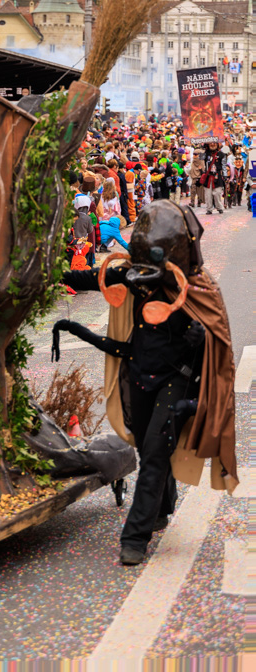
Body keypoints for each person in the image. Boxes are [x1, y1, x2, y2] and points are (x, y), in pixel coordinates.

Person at [54, 201, 238, 566]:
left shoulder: (198, 291)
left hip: (176, 381)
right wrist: (51, 273)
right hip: (138, 377)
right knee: (145, 445)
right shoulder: (132, 274)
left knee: (154, 453)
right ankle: (161, 506)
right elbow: (94, 278)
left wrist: (200, 346)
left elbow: (217, 352)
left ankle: (134, 537)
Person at [203, 144, 226, 215]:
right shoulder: (204, 154)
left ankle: (219, 208)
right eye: (211, 143)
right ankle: (209, 209)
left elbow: (224, 166)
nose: (212, 144)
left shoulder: (221, 154)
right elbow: (200, 162)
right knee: (208, 194)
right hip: (208, 177)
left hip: (217, 176)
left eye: (214, 143)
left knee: (217, 193)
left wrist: (225, 175)